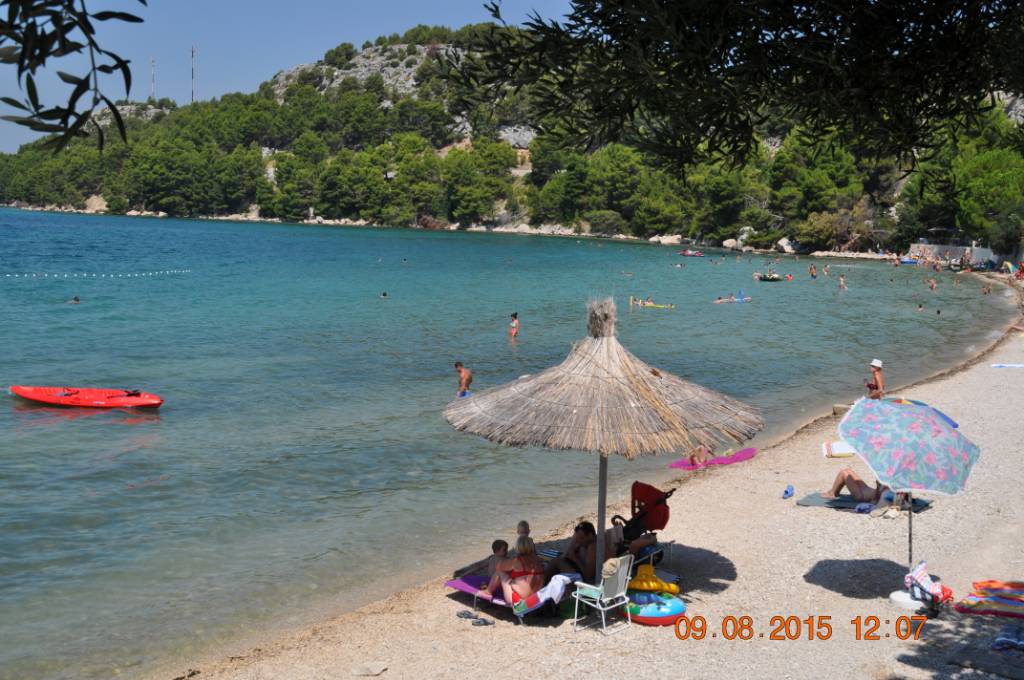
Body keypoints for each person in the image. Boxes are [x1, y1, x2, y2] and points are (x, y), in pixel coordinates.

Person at [480, 535, 545, 605]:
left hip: (519, 600)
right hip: (536, 597)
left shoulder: (517, 561)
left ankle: (488, 591)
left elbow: (498, 567)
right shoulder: (538, 560)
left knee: (500, 572)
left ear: (518, 547)